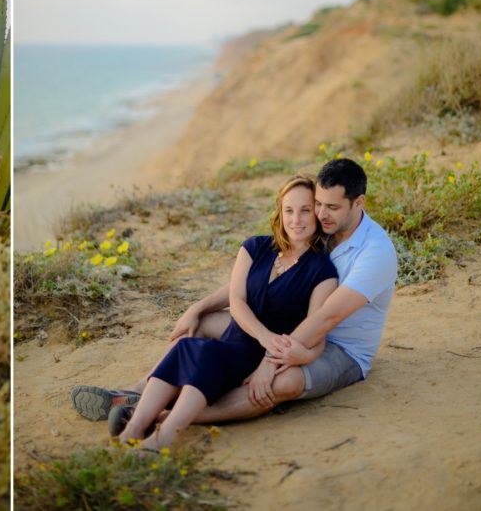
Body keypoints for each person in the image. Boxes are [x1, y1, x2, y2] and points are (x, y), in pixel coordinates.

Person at [71, 158, 398, 438]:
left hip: (339, 350)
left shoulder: (375, 252)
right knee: (202, 327)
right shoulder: (323, 231)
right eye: (319, 204)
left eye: (332, 207)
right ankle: (135, 394)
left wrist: (268, 365)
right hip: (285, 331)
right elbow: (262, 282)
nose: (321, 214)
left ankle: (167, 416)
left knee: (281, 383)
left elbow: (327, 318)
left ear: (359, 204)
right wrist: (198, 307)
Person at [109, 174, 338, 449]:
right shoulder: (255, 247)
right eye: (289, 210)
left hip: (261, 359)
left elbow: (316, 332)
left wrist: (270, 352)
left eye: (305, 210)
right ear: (279, 212)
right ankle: (132, 429)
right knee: (189, 347)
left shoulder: (323, 271)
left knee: (200, 352)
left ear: (316, 213)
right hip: (235, 340)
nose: (296, 220)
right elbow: (236, 301)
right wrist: (262, 334)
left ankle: (163, 437)